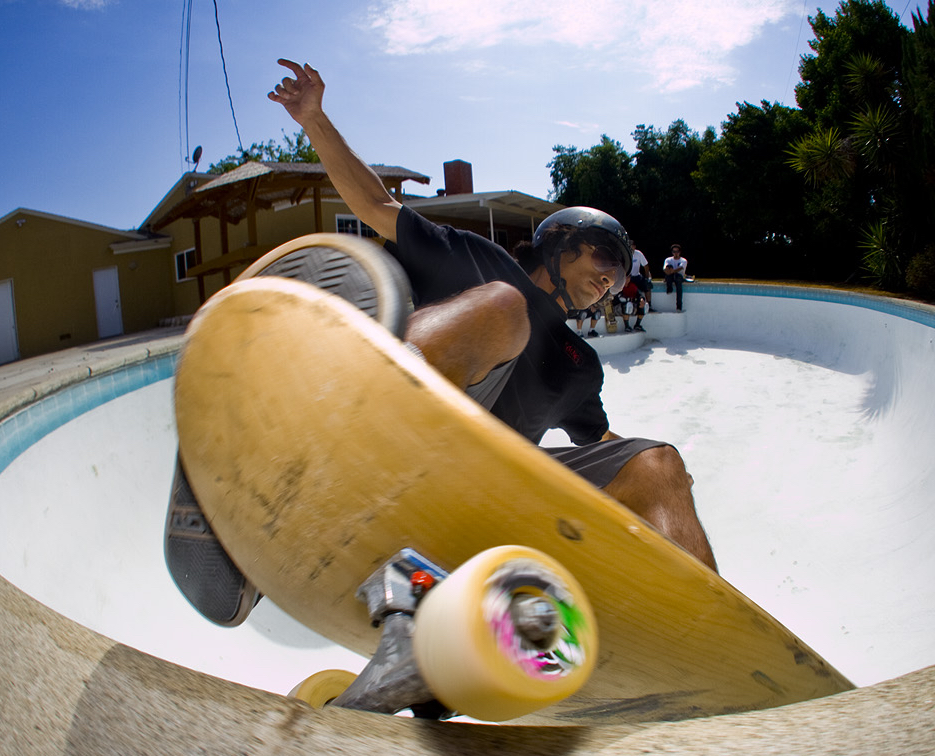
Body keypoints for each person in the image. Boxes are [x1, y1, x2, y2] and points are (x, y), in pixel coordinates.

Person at [270, 59, 716, 569]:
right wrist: (314, 120)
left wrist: (661, 475)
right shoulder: (479, 258)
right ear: (563, 242)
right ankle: (339, 453)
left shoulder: (579, 363)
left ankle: (708, 631)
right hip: (396, 446)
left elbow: (599, 439)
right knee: (505, 305)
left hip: (487, 494)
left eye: (617, 280)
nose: (609, 282)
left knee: (658, 462)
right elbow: (373, 204)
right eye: (605, 260)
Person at [663, 244, 688, 311]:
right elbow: (665, 268)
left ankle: (679, 306)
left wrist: (672, 271)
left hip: (679, 277)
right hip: (670, 275)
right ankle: (669, 288)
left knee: (678, 282)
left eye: (677, 251)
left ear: (680, 252)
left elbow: (679, 269)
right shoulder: (668, 260)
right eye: (674, 252)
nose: (676, 253)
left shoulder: (683, 261)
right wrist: (668, 271)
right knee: (669, 275)